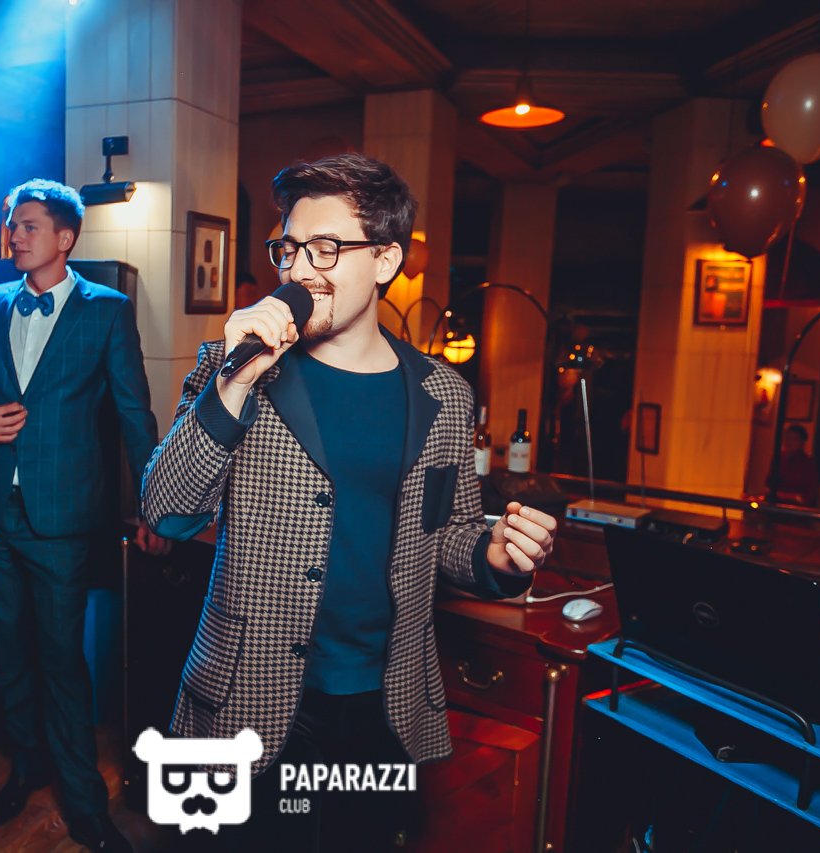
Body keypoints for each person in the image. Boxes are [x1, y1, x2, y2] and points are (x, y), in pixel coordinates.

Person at [141, 153, 557, 850]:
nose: (301, 268)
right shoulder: (230, 367)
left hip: (382, 705)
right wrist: (237, 381)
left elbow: (449, 534)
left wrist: (496, 555)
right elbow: (166, 509)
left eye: (327, 248)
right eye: (289, 248)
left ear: (387, 260)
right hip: (246, 697)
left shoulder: (443, 394)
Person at [0, 178, 166, 850]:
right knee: (5, 653)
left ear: (65, 237)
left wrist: (154, 503)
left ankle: (86, 805)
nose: (14, 235)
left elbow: (133, 413)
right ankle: (26, 763)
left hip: (63, 517)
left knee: (62, 658)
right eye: (13, 225)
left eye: (29, 226)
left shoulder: (108, 310)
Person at [770, 424, 819, 506]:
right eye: (787, 438)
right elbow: (770, 483)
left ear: (802, 442)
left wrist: (787, 496)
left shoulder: (807, 463)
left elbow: (809, 496)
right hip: (776, 504)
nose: (789, 442)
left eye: (794, 439)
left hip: (796, 508)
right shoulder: (779, 458)